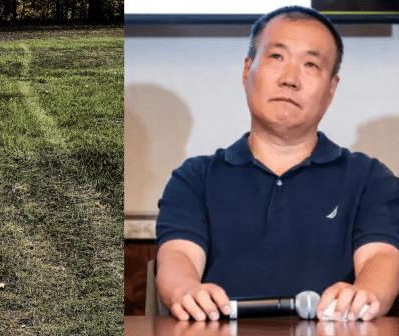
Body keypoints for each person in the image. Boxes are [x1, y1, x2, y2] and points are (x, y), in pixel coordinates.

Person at [155, 5, 399, 322]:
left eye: (311, 64)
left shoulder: (370, 178)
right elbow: (179, 254)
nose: (290, 79)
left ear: (331, 89)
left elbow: (382, 257)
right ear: (247, 71)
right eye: (276, 57)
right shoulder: (195, 177)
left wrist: (367, 293)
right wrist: (184, 289)